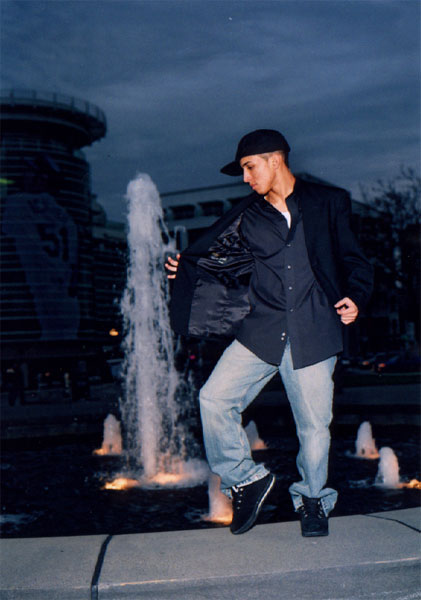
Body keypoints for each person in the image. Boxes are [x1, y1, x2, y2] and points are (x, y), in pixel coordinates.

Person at [165, 129, 373, 537]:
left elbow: (354, 259)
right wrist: (188, 266)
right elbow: (225, 260)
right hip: (261, 330)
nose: (245, 177)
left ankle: (313, 499)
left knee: (313, 427)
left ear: (275, 159)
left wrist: (357, 298)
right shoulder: (249, 215)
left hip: (314, 329)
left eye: (249, 167)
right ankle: (245, 478)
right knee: (213, 398)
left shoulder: (328, 202)